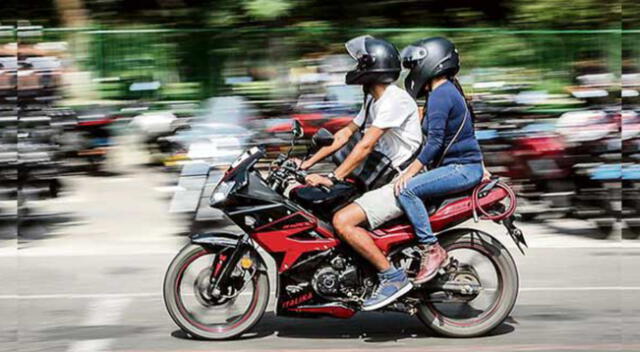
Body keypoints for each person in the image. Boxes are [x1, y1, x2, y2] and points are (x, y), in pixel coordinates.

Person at [299, 35, 422, 311]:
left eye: (360, 62)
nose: (355, 68)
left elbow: (365, 146)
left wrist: (334, 177)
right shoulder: (373, 100)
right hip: (379, 178)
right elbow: (344, 135)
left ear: (373, 66)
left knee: (342, 221)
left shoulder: (394, 99)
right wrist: (305, 164)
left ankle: (392, 276)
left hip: (398, 182)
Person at [395, 37, 487, 284]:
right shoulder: (446, 91)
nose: (413, 72)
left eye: (415, 65)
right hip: (463, 167)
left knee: (407, 191)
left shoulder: (441, 94)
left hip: (460, 169)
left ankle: (432, 249)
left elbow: (435, 143)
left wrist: (409, 174)